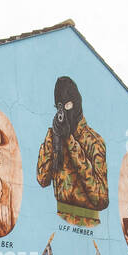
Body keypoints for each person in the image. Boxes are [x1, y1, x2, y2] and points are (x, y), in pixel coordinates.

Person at [36, 76, 108, 227]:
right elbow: (43, 179)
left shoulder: (94, 141)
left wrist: (70, 142)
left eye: (68, 105)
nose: (63, 112)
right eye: (59, 107)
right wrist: (54, 138)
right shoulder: (55, 136)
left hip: (87, 223)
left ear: (76, 104)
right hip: (60, 219)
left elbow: (101, 199)